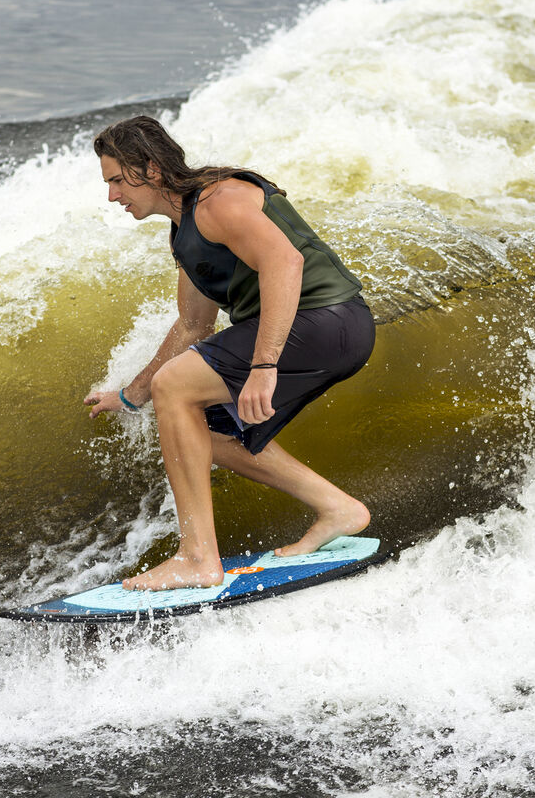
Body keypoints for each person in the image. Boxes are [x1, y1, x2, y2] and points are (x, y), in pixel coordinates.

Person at [84, 116, 375, 592]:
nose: (112, 195)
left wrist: (263, 366)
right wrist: (132, 395)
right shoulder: (184, 233)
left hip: (327, 321)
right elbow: (194, 326)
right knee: (202, 429)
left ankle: (198, 557)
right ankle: (338, 508)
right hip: (317, 330)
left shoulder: (220, 200)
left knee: (175, 387)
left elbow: (286, 262)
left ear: (151, 170)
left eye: (117, 180)